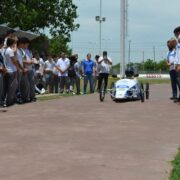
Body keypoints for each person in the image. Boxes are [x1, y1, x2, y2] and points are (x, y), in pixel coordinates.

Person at [3, 38, 19, 106]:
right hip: (12, 70)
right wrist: (18, 67)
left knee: (10, 87)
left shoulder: (6, 50)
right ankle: (9, 102)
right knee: (12, 87)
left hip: (9, 70)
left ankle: (9, 101)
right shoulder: (10, 50)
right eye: (14, 43)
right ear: (11, 43)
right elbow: (13, 60)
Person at [173, 26, 180, 102]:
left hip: (179, 64)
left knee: (179, 80)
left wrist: (178, 64)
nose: (175, 35)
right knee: (178, 81)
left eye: (175, 34)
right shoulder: (178, 40)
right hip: (177, 63)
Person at [0, 37, 6, 106]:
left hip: (1, 71)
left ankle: (1, 101)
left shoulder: (0, 51)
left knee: (1, 87)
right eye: (2, 43)